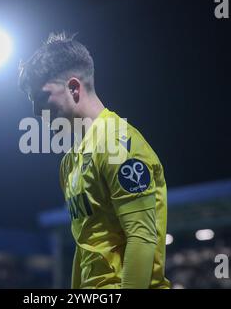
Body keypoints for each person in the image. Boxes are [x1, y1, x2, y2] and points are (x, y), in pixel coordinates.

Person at [18, 32, 170, 289]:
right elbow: (85, 247)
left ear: (74, 87)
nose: (35, 111)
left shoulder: (120, 144)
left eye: (42, 97)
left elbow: (142, 237)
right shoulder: (69, 163)